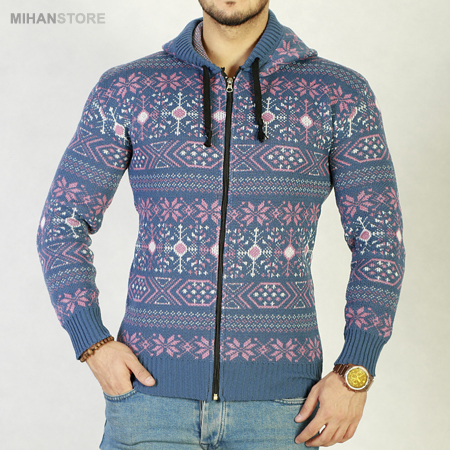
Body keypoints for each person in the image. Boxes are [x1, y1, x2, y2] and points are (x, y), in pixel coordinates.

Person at [37, 1, 405, 448]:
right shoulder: (129, 87)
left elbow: (380, 239)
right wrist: (91, 342)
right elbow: (62, 220)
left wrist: (356, 372)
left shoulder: (339, 93)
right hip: (150, 400)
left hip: (282, 408)